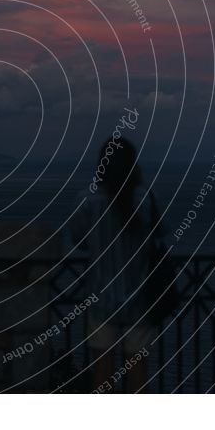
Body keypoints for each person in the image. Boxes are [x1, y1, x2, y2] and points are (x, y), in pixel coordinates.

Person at [66, 137, 164, 393]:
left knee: (102, 373)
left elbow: (79, 240)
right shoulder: (145, 199)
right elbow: (161, 234)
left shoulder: (87, 200)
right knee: (138, 371)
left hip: (100, 298)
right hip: (141, 298)